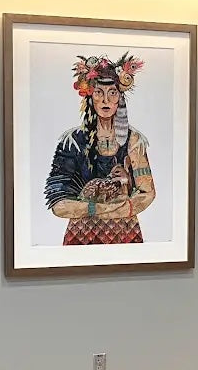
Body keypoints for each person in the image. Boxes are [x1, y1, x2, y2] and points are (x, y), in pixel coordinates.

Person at [44, 54, 156, 245]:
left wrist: (123, 207)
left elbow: (147, 193)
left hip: (124, 230)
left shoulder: (134, 141)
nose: (105, 100)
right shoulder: (73, 142)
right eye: (98, 92)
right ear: (90, 97)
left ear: (120, 98)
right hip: (82, 232)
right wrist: (97, 209)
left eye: (112, 92)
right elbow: (58, 204)